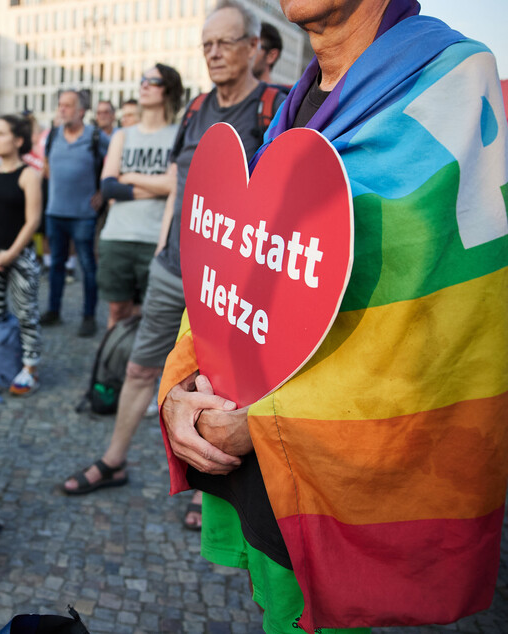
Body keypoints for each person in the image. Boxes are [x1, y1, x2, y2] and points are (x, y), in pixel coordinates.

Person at [159, 0, 508, 631]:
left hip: (338, 464)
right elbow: (235, 261)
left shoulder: (453, 79)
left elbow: (454, 326)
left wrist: (265, 421)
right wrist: (182, 387)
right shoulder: (298, 104)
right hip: (258, 458)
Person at [61, 0, 284, 500]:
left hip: (231, 285)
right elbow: (181, 186)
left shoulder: (277, 108)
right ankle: (113, 461)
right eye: (207, 44)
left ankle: (213, 495)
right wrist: (165, 248)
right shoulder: (198, 109)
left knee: (222, 390)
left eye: (226, 42)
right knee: (142, 367)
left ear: (253, 47)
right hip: (173, 269)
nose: (215, 52)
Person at [97, 64, 182, 330]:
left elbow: (175, 185)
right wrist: (159, 186)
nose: (144, 85)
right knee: (117, 311)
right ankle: (112, 368)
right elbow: (109, 188)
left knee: (152, 316)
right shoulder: (123, 135)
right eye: (143, 80)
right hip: (117, 237)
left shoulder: (178, 135)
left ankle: (141, 371)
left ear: (168, 90)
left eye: (153, 82)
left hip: (155, 240)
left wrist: (130, 176)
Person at [0, 114, 43, 396]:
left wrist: (10, 254)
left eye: (2, 133)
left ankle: (30, 366)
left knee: (26, 312)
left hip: (20, 257)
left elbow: (32, 220)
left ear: (18, 140)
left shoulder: (29, 175)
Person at [41, 90, 109, 337]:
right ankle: (53, 310)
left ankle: (89, 316)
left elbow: (114, 161)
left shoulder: (95, 136)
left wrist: (103, 191)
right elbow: (46, 164)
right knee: (56, 265)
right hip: (55, 212)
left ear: (81, 111)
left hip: (83, 214)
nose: (62, 109)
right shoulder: (53, 135)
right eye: (60, 105)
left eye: (68, 106)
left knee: (87, 266)